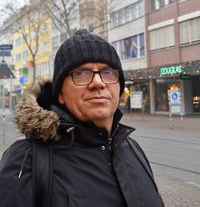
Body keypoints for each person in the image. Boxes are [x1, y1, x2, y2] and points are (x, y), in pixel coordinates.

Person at [0, 29, 164, 206]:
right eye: (81, 73)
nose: (98, 82)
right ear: (60, 94)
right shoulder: (27, 160)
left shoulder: (133, 149)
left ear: (119, 87)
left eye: (107, 72)